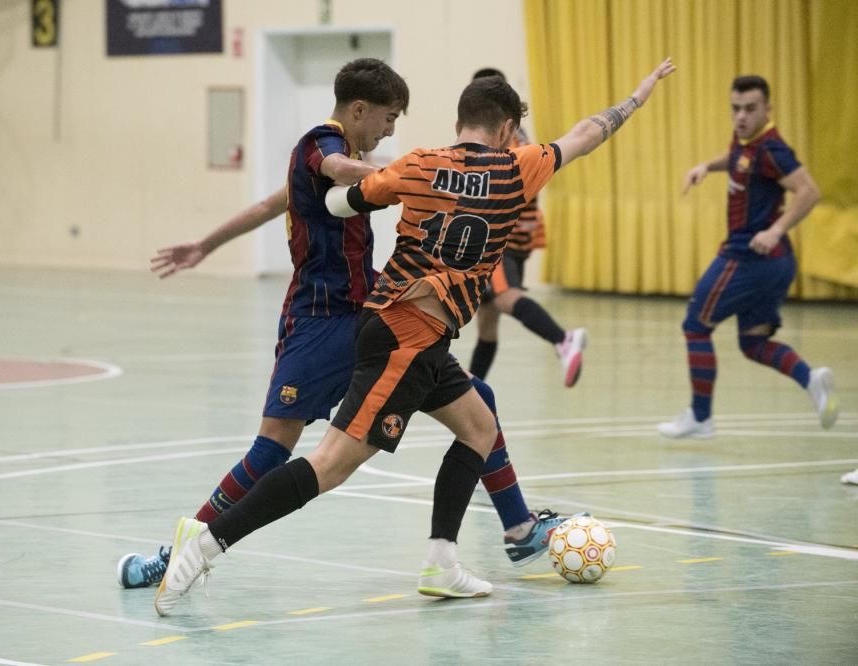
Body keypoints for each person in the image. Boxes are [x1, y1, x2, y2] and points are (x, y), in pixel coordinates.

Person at [152, 57, 677, 616]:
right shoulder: (520, 167)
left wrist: (350, 192)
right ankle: (205, 544)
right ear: (505, 130)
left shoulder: (420, 163)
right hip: (402, 332)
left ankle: (444, 560)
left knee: (478, 424)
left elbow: (339, 200)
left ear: (460, 120)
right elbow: (585, 135)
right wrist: (637, 98)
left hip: (406, 327)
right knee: (330, 464)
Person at [658, 75, 839, 439]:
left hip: (749, 256)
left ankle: (701, 416)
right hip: (776, 262)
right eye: (736, 108)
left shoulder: (773, 149)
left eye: (750, 109)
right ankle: (811, 379)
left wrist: (775, 230)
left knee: (696, 326)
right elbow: (739, 160)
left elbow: (809, 192)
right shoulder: (748, 142)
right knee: (753, 343)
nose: (741, 116)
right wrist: (706, 167)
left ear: (768, 109)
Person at [466, 67, 586, 387]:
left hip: (501, 240)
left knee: (505, 298)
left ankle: (563, 339)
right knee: (487, 324)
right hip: (520, 238)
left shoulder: (501, 141)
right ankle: (471, 392)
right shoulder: (517, 134)